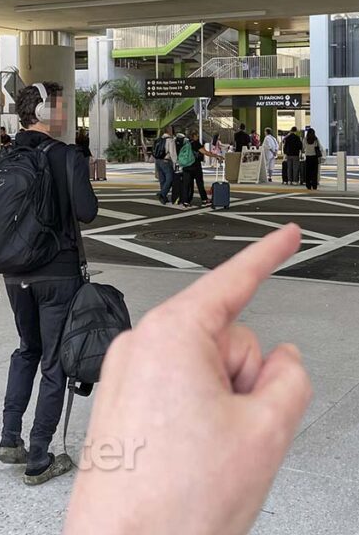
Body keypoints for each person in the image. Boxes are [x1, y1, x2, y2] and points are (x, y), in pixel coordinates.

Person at [64, 224, 311, 533]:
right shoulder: (65, 172)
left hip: (21, 278)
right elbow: (85, 208)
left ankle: (28, 438)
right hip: (58, 270)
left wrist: (103, 516)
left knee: (37, 353)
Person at [0, 82, 99, 485]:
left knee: (27, 349)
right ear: (45, 110)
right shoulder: (65, 155)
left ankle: (9, 437)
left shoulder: (2, 157)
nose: (66, 113)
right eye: (62, 106)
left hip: (14, 273)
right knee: (54, 361)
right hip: (57, 273)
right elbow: (87, 212)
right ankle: (39, 456)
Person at [179, 131, 210, 208]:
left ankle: (186, 201)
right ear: (194, 136)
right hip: (195, 167)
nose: (198, 137)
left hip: (186, 167)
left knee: (186, 185)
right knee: (200, 184)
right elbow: (205, 153)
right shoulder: (196, 143)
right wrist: (216, 156)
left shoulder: (185, 143)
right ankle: (204, 200)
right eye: (197, 135)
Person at [153, 126, 178, 205]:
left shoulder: (158, 140)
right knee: (170, 179)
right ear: (170, 131)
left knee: (162, 180)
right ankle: (162, 194)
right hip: (166, 161)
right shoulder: (170, 140)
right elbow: (173, 153)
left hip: (158, 161)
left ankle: (164, 198)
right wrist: (176, 163)